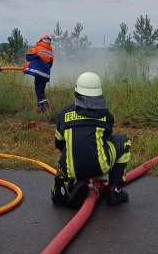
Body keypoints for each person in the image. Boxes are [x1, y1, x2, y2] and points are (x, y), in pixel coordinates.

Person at [52, 72, 131, 207]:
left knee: (66, 152)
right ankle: (115, 191)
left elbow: (59, 143)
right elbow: (106, 139)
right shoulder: (107, 116)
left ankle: (66, 186)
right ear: (99, 94)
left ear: (76, 91)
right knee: (123, 141)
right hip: (99, 168)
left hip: (71, 170)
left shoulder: (64, 113)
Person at [24, 33, 54, 112]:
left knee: (39, 91)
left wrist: (34, 59)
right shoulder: (50, 52)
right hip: (46, 75)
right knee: (41, 91)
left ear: (41, 40)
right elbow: (50, 64)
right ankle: (40, 108)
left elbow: (28, 56)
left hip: (38, 74)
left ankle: (45, 107)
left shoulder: (38, 48)